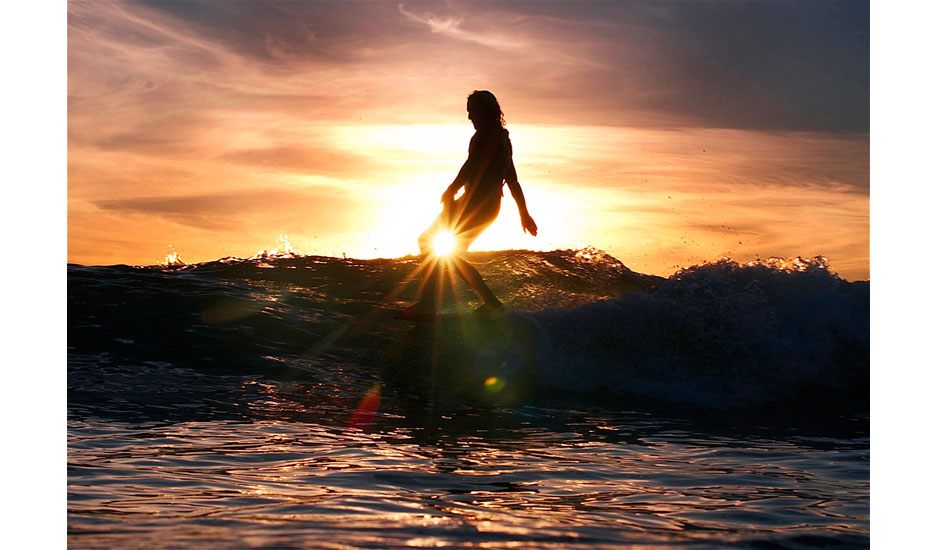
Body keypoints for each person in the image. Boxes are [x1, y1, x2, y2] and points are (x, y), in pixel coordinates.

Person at [410, 90, 537, 314]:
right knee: (443, 250)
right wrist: (523, 213)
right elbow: (513, 181)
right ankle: (489, 303)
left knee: (428, 242)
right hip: (488, 208)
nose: (470, 117)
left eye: (473, 111)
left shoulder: (486, 136)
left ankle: (429, 306)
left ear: (487, 111)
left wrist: (452, 189)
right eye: (468, 112)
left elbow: (472, 164)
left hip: (475, 205)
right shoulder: (503, 139)